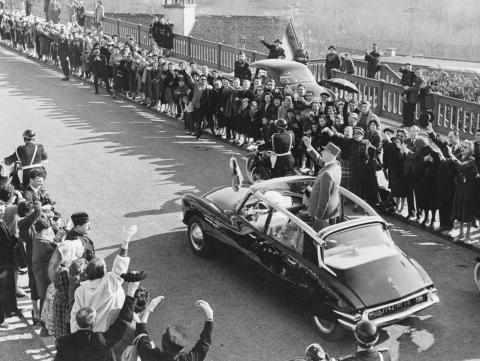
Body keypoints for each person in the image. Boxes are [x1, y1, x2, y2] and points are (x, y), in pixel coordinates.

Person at [70, 225, 136, 333]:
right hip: (109, 333)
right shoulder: (109, 283)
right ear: (103, 272)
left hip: (89, 335)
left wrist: (76, 336)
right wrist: (126, 240)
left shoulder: (80, 291)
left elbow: (75, 316)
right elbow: (120, 265)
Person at [54, 279, 140, 361]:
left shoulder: (63, 342)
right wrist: (131, 292)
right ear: (93, 323)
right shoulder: (100, 341)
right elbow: (122, 324)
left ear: (77, 322)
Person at [135, 298, 214, 361]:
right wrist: (210, 317)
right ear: (183, 349)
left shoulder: (150, 355)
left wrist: (148, 310)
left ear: (162, 342)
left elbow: (141, 333)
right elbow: (204, 344)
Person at [302, 139, 342, 230]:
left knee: (320, 240)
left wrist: (318, 216)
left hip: (323, 215)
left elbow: (324, 200)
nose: (322, 152)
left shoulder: (327, 174)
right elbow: (319, 159)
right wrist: (309, 147)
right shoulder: (336, 165)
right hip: (331, 211)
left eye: (324, 151)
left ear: (329, 154)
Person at [32, 217, 58, 336]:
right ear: (44, 230)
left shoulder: (37, 238)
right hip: (43, 274)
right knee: (44, 297)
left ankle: (43, 324)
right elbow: (55, 250)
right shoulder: (41, 242)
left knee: (43, 296)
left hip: (40, 272)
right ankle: (44, 327)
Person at [0, 205, 20, 327]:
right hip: (2, 266)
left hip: (7, 262)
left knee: (7, 290)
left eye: (2, 210)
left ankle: (9, 311)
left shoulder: (2, 221)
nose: (2, 212)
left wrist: (13, 240)